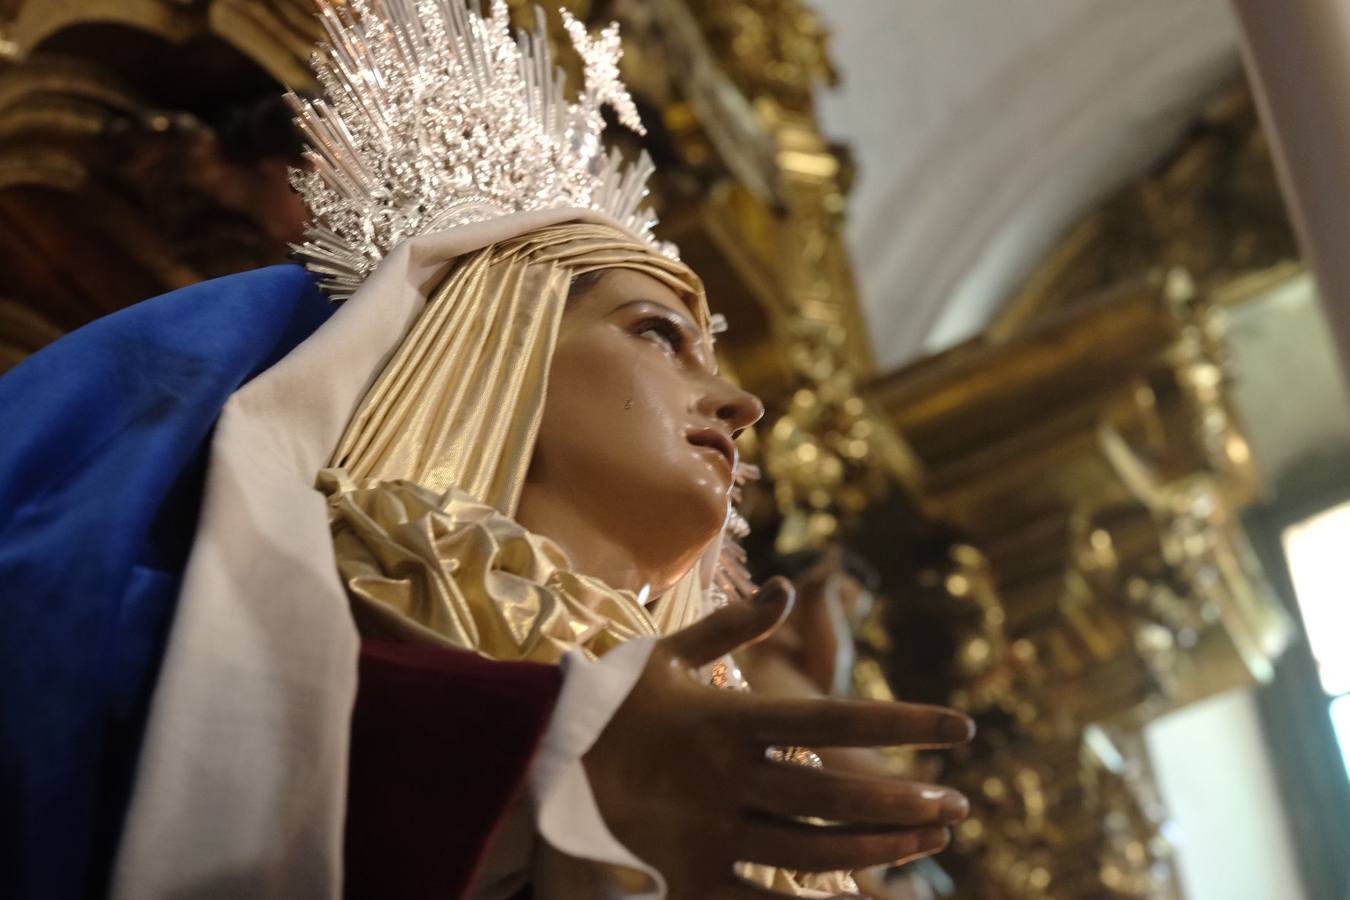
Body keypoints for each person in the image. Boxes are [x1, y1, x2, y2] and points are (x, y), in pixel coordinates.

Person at [0, 2, 973, 898]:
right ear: (494, 348)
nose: (738, 400)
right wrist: (542, 763)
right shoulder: (263, 610)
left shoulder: (712, 739)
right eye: (658, 334)